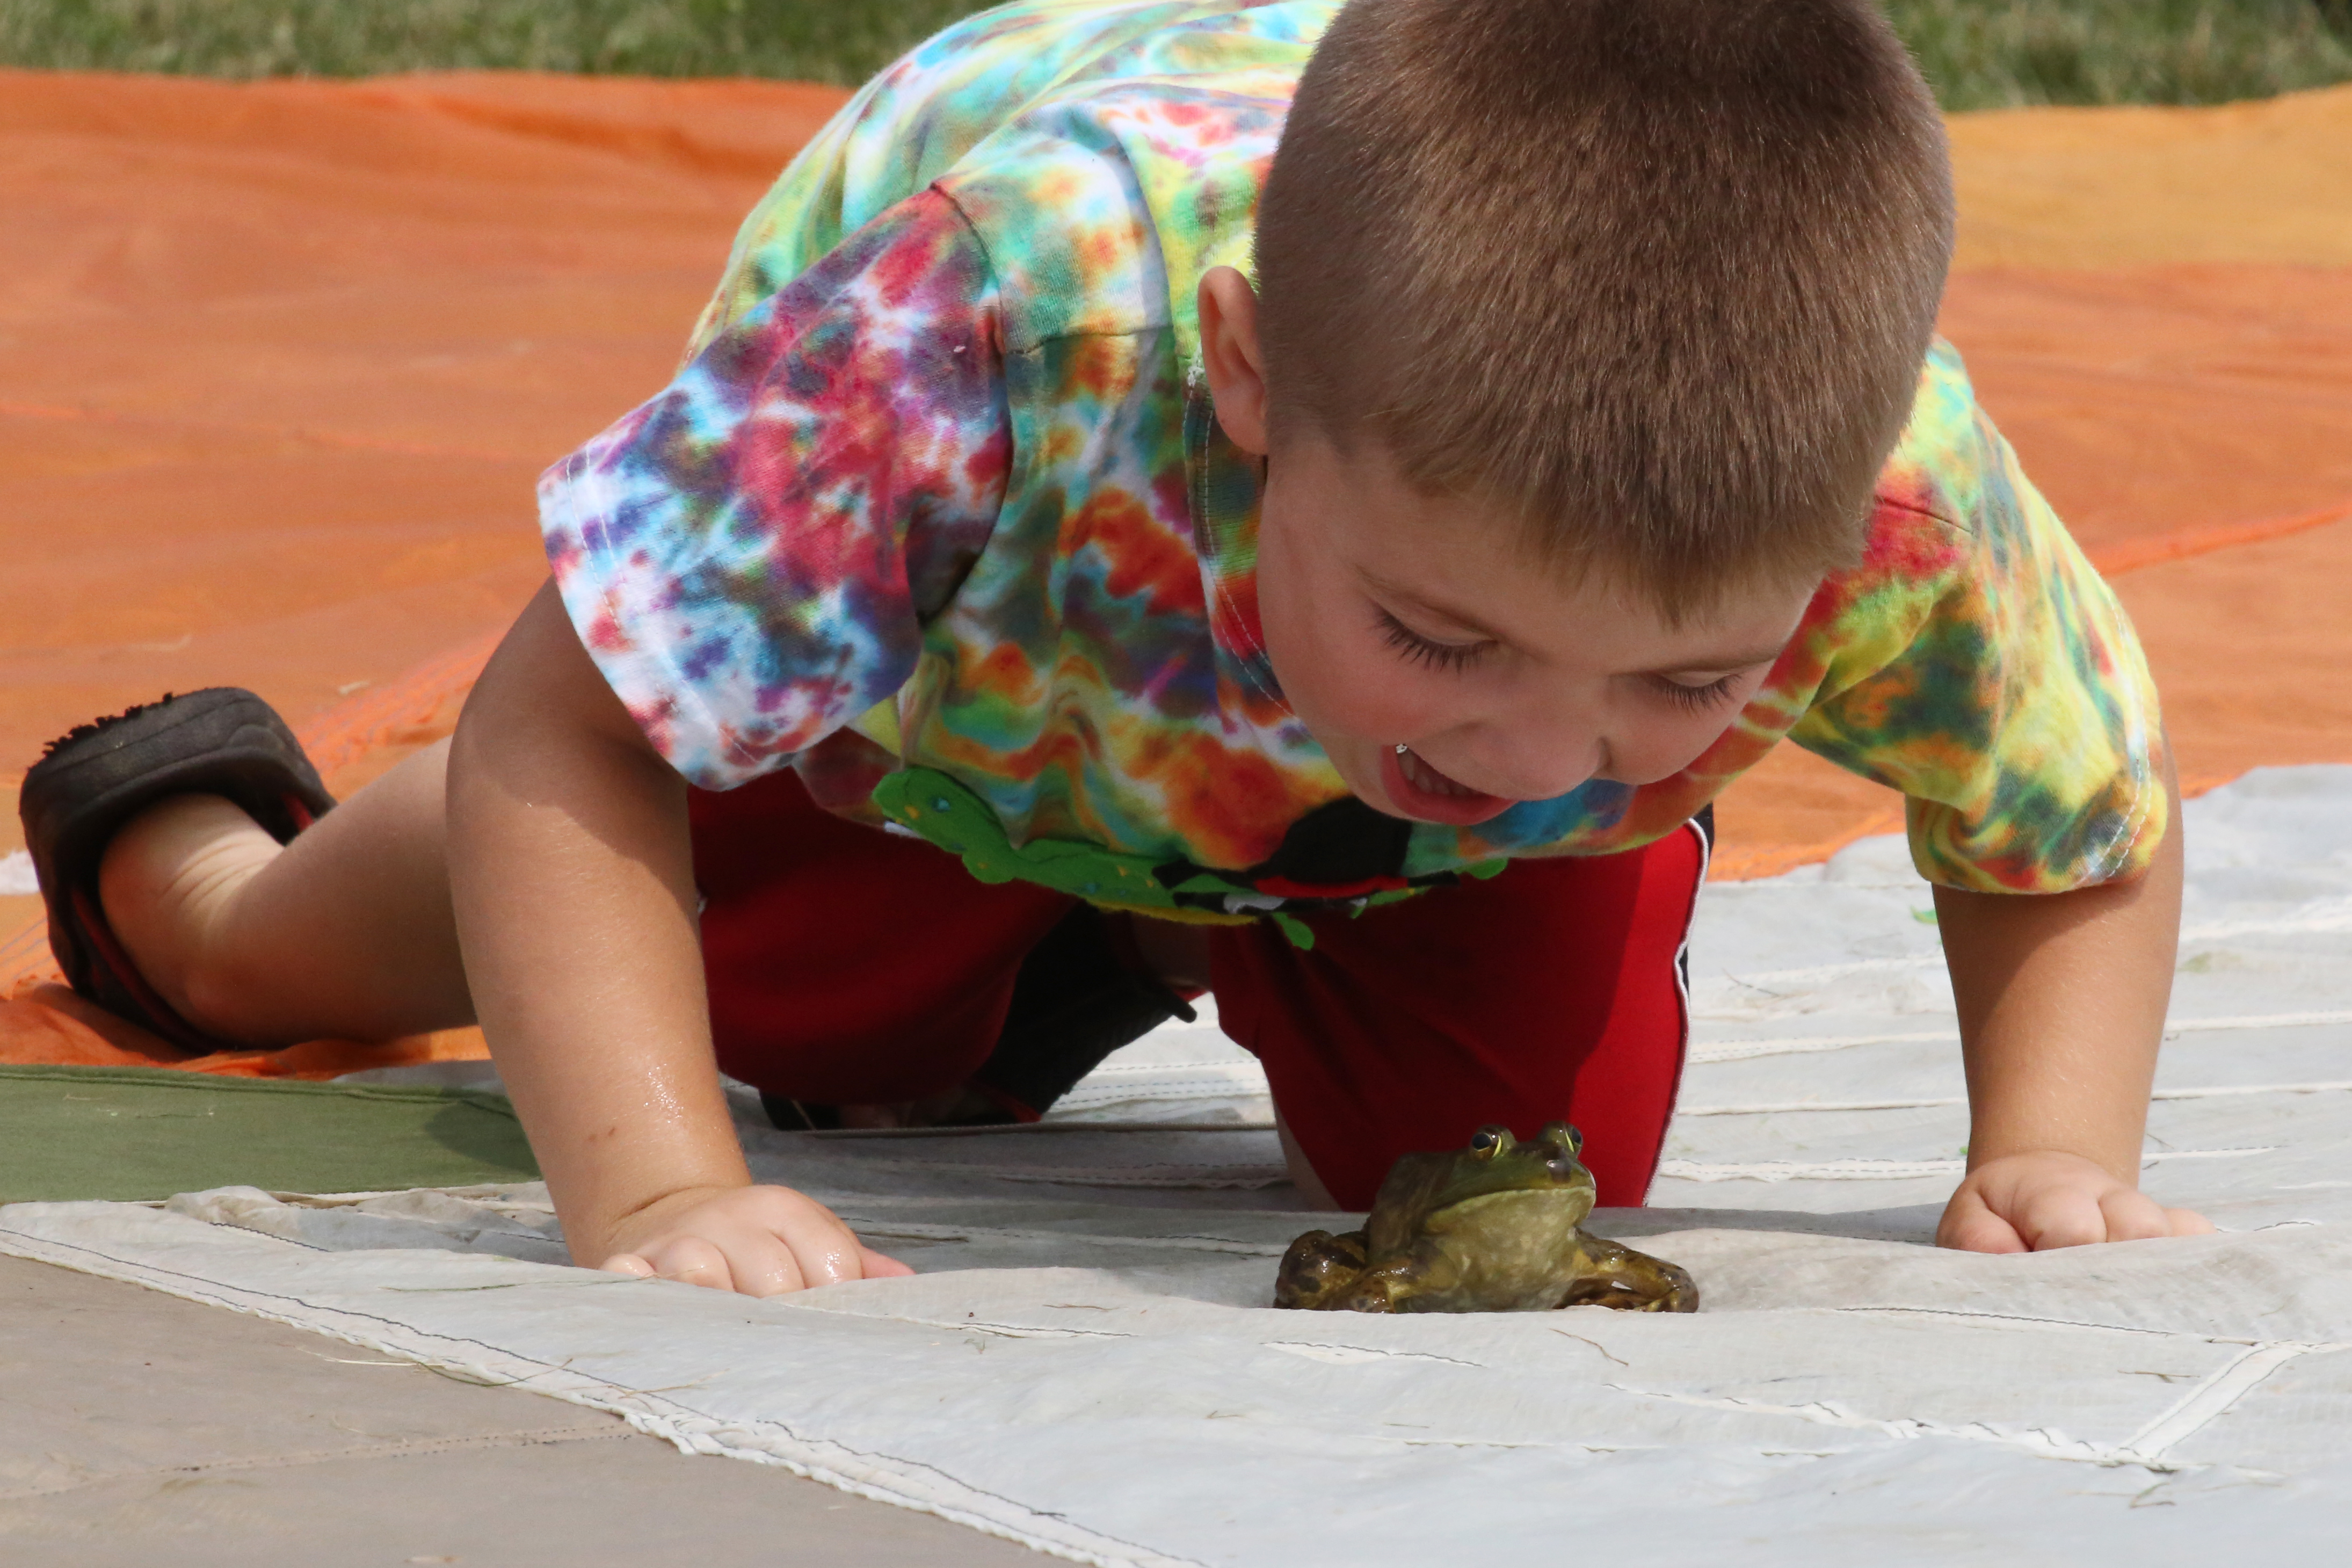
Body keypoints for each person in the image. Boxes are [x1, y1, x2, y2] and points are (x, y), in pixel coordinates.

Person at [20, 0, 2211, 1299]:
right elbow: (570, 720)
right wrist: (661, 1179)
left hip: (1282, 804)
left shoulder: (1878, 479)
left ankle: (1128, 931)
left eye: (1691, 682)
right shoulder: (1000, 329)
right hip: (942, 687)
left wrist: (2048, 1144)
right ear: (1247, 376)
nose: (1555, 752)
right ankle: (206, 880)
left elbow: (2073, 811)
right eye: (1448, 631)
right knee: (745, 993)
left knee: (1512, 1190)